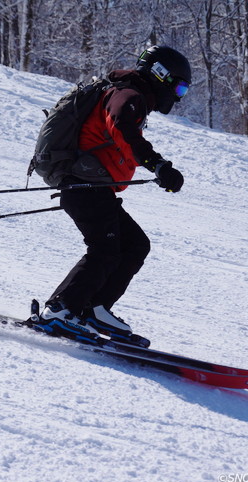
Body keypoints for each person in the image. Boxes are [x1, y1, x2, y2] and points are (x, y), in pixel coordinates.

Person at [36, 45, 192, 342]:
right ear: (161, 76)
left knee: (135, 245)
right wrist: (158, 166)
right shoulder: (128, 96)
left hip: (94, 188)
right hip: (85, 186)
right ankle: (61, 310)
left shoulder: (131, 96)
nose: (179, 96)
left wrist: (156, 168)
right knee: (106, 250)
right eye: (180, 87)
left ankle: (91, 309)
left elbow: (122, 139)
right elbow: (123, 130)